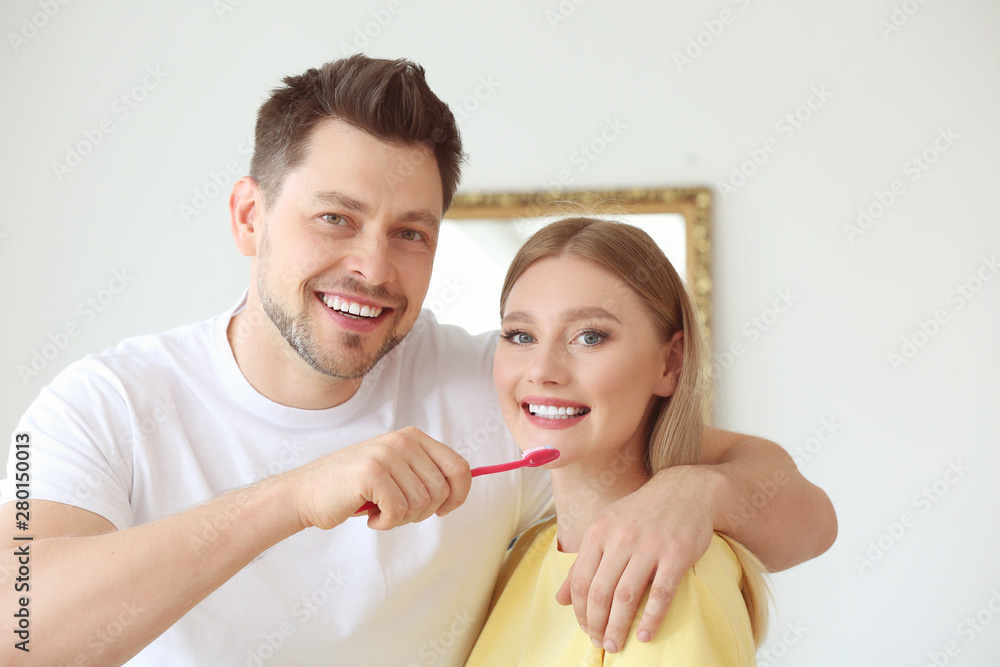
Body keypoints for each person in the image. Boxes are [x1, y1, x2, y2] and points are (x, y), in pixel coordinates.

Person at [0, 55, 835, 666]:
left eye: (410, 232)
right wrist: (293, 497)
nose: (372, 265)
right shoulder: (105, 402)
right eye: (336, 218)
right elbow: (19, 626)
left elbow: (805, 516)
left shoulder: (493, 392)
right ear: (250, 215)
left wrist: (700, 490)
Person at [468, 217, 772, 664]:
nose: (542, 369)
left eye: (589, 337)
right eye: (521, 335)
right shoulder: (526, 556)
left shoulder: (671, 578)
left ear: (670, 363)